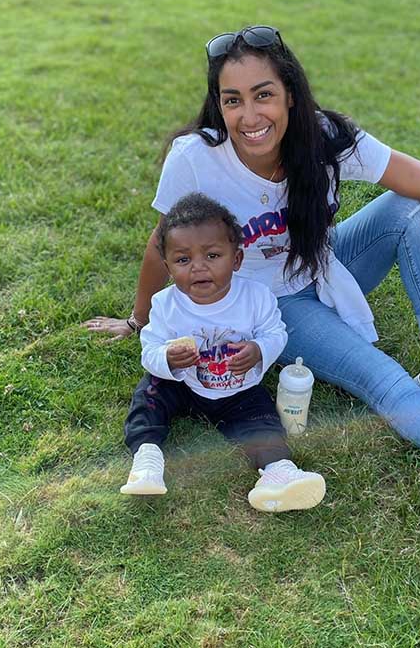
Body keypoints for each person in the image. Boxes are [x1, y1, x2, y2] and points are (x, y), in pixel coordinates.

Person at [85, 25, 420, 564]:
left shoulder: (323, 138)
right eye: (233, 101)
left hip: (323, 265)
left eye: (263, 95)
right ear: (219, 106)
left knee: (407, 208)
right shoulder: (195, 159)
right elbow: (162, 245)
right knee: (382, 380)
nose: (250, 117)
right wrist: (138, 322)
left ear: (290, 95)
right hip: (276, 304)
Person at [119, 192, 326, 513]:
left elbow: (276, 333)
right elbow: (150, 349)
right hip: (184, 384)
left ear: (237, 259)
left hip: (237, 388)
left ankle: (278, 471)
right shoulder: (165, 305)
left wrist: (258, 350)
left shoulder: (256, 298)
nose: (198, 267)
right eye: (183, 259)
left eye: (213, 256)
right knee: (149, 394)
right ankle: (147, 457)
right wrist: (168, 361)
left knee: (260, 417)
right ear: (168, 266)